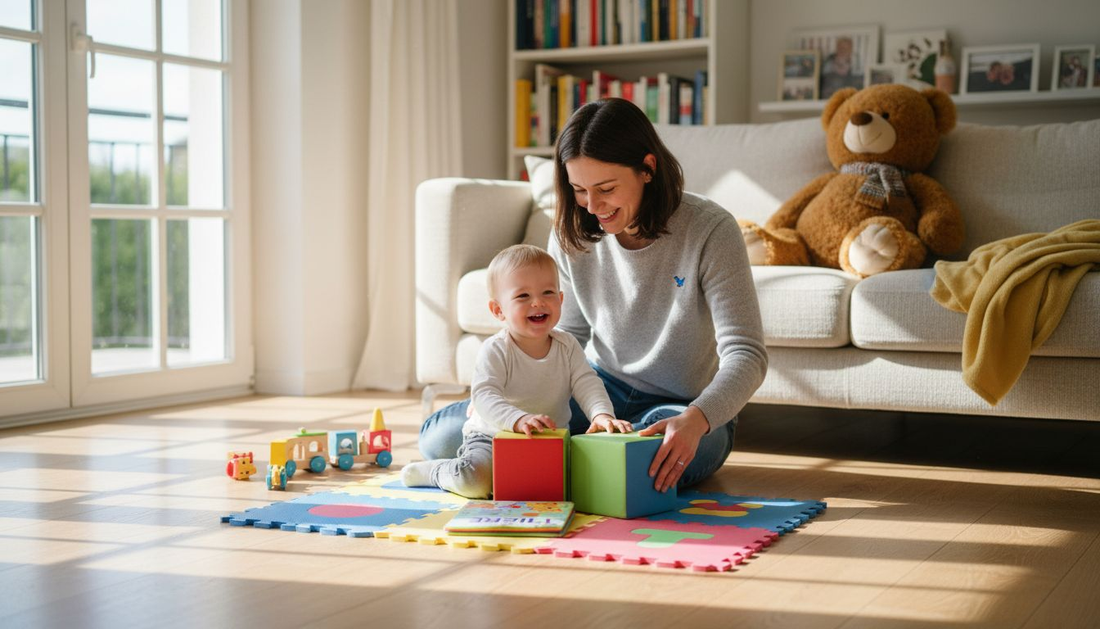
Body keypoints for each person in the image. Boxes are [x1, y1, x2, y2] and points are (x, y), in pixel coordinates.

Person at [418, 98, 768, 493]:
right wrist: (506, 405)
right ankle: (579, 464)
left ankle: (555, 463)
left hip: (680, 405)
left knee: (654, 456)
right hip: (595, 390)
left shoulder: (711, 230)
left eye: (605, 189)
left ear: (648, 169)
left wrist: (697, 419)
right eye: (580, 190)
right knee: (442, 439)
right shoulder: (573, 231)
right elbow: (564, 333)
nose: (593, 206)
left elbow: (747, 353)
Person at [402, 244, 633, 498]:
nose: (538, 302)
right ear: (498, 310)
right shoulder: (497, 349)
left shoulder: (567, 345)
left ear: (561, 299)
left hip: (549, 442)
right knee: (475, 481)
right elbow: (485, 395)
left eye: (548, 292)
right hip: (493, 437)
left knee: (581, 484)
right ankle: (436, 472)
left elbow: (587, 382)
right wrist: (517, 419)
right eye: (523, 296)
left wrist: (601, 415)